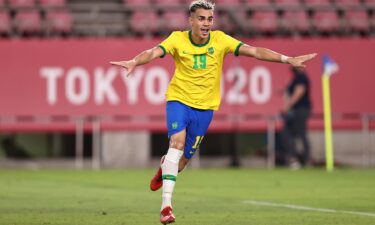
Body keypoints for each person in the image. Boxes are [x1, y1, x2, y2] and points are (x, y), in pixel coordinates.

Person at [110, 1, 316, 224]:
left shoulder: (221, 40)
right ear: (191, 20)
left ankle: (164, 168)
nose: (206, 23)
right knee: (176, 145)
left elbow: (255, 51)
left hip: (205, 109)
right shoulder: (177, 38)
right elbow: (153, 52)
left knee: (180, 164)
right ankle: (166, 207)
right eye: (201, 18)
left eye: (209, 19)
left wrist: (287, 59)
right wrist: (134, 62)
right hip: (178, 100)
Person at [280, 67, 312, 168]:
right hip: (295, 110)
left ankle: (305, 159)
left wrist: (288, 106)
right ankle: (296, 158)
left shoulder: (301, 77)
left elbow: (299, 92)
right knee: (288, 134)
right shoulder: (295, 79)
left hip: (300, 110)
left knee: (300, 134)